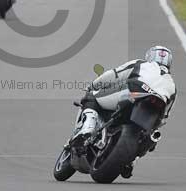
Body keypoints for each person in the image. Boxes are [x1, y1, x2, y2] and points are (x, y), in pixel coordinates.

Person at [72, 46, 176, 178]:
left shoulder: (141, 63)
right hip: (157, 104)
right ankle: (131, 161)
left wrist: (94, 85)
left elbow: (114, 74)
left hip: (135, 91)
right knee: (149, 136)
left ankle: (87, 129)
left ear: (150, 56)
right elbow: (165, 116)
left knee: (92, 97)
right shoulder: (172, 85)